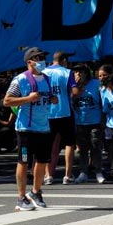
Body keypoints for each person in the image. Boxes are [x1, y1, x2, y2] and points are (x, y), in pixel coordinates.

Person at [3, 47, 57, 211]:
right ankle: (20, 197)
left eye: (43, 57)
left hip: (44, 127)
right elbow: (7, 101)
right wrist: (28, 98)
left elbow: (50, 98)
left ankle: (36, 191)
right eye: (38, 58)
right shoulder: (20, 79)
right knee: (24, 161)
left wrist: (53, 99)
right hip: (26, 129)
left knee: (42, 161)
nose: (42, 61)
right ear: (29, 62)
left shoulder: (47, 79)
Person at [44, 52, 77, 184]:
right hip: (65, 111)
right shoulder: (67, 72)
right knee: (69, 143)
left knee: (50, 144)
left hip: (48, 113)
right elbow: (74, 92)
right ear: (64, 60)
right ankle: (67, 176)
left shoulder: (43, 72)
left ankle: (48, 176)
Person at [71, 64, 105, 184]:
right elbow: (70, 101)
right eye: (76, 72)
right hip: (80, 121)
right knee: (82, 149)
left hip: (95, 121)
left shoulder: (96, 84)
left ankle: (98, 171)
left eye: (81, 72)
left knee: (95, 146)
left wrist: (103, 119)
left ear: (86, 73)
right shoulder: (73, 86)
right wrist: (76, 90)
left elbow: (103, 100)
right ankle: (83, 172)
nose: (78, 75)